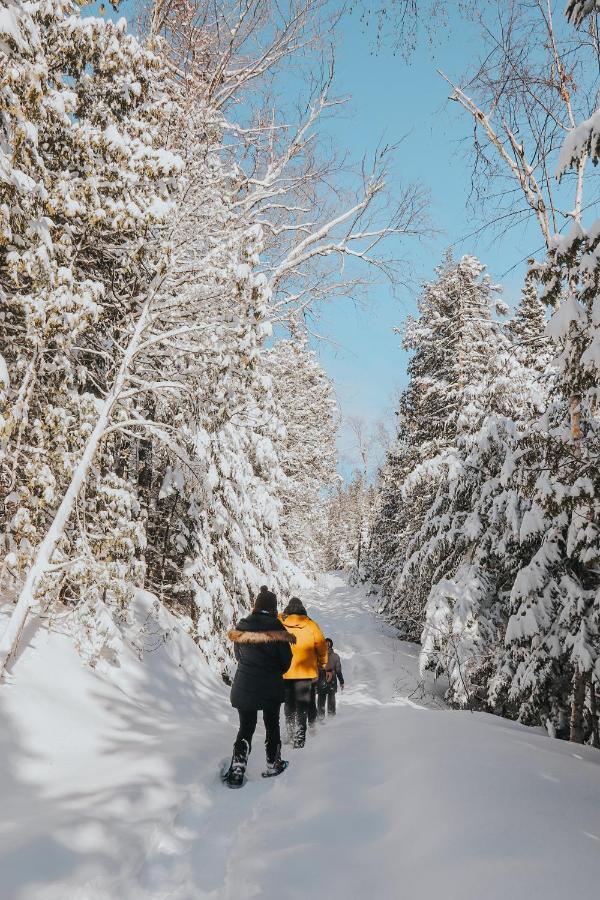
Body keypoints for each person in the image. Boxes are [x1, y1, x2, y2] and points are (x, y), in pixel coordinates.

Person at [223, 586, 296, 788]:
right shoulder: (279, 631)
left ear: (256, 607)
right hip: (270, 687)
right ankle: (273, 763)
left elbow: (238, 657)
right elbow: (286, 663)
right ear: (273, 609)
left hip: (244, 686)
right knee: (272, 725)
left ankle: (237, 770)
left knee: (246, 727)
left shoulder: (242, 627)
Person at [280, 597, 328, 749]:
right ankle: (300, 738)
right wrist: (323, 662)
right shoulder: (311, 625)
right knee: (302, 705)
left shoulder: (280, 623)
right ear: (302, 610)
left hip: (286, 671)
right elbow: (321, 647)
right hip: (306, 673)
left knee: (289, 703)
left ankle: (289, 731)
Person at [317, 637, 344, 719]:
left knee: (321, 699)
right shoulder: (335, 656)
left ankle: (320, 718)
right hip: (331, 680)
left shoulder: (318, 656)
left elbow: (314, 669)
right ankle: (331, 718)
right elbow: (338, 670)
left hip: (321, 679)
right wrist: (341, 681)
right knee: (331, 700)